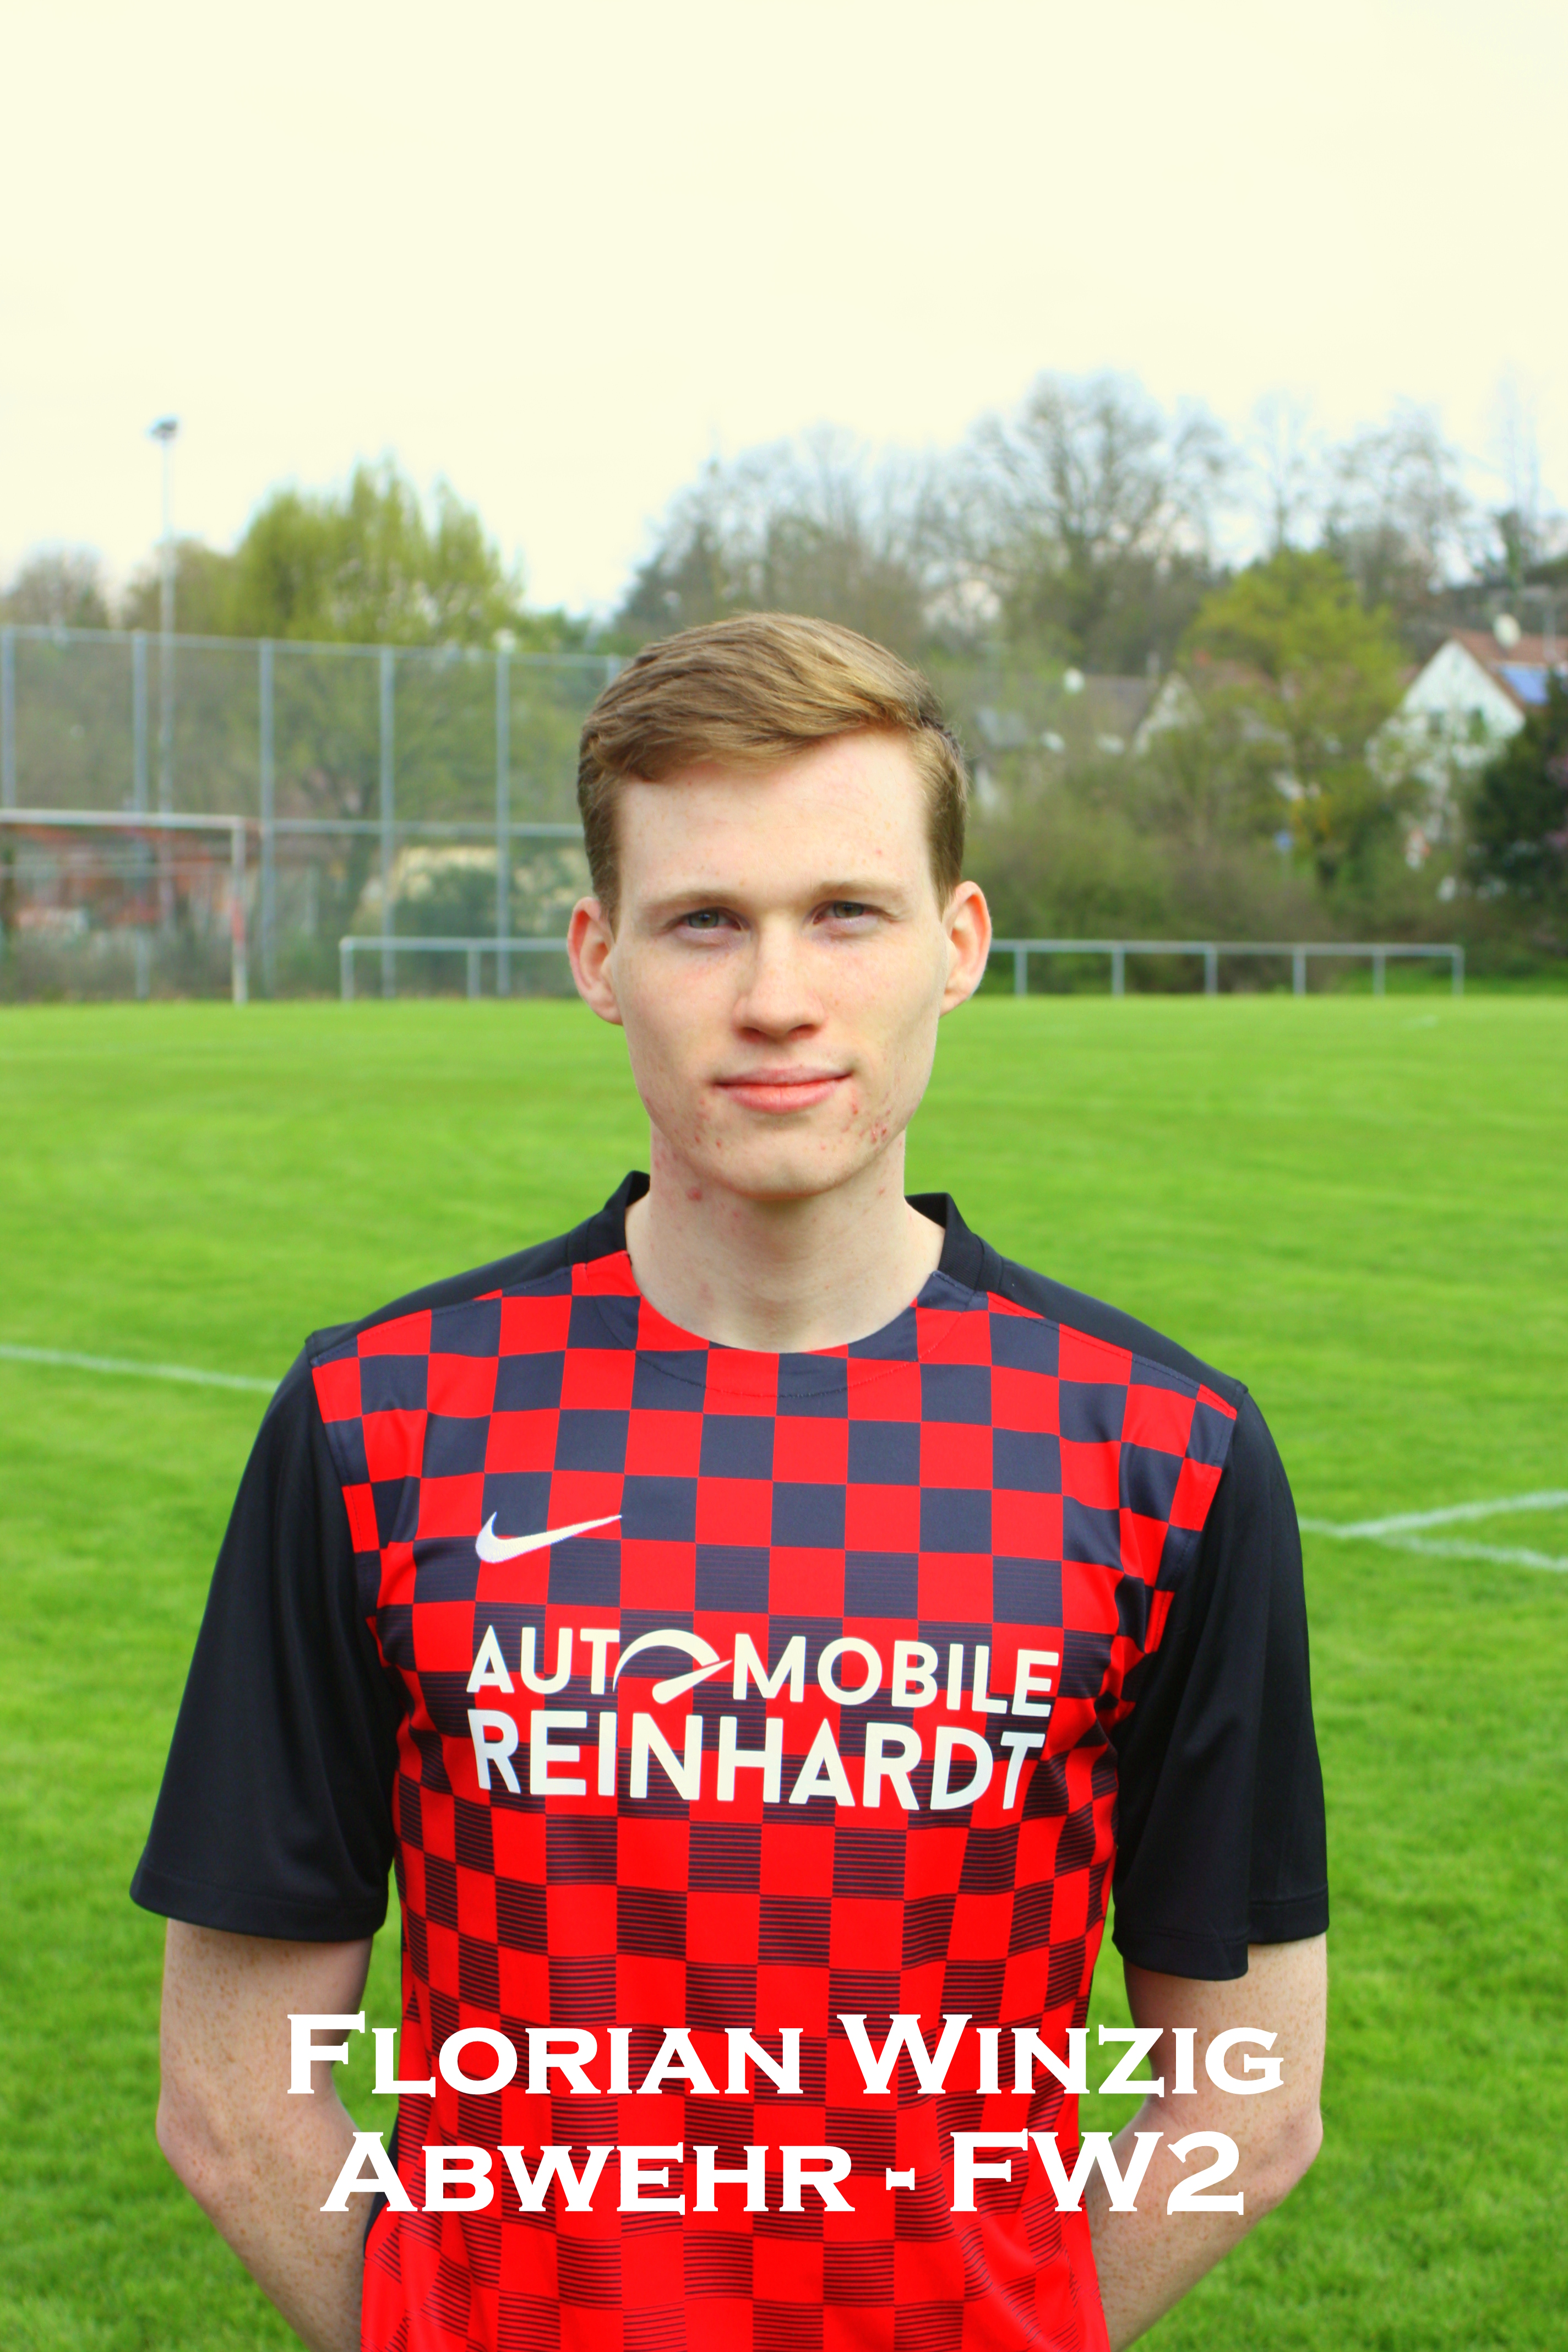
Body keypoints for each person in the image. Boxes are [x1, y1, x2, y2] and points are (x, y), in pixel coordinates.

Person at [134, 613, 1327, 2352]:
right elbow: (235, 2097)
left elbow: (1249, 2098)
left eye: (847, 912)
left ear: (957, 945)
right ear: (599, 954)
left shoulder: (1165, 1454)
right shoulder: (379, 1425)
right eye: (705, 919)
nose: (777, 996)